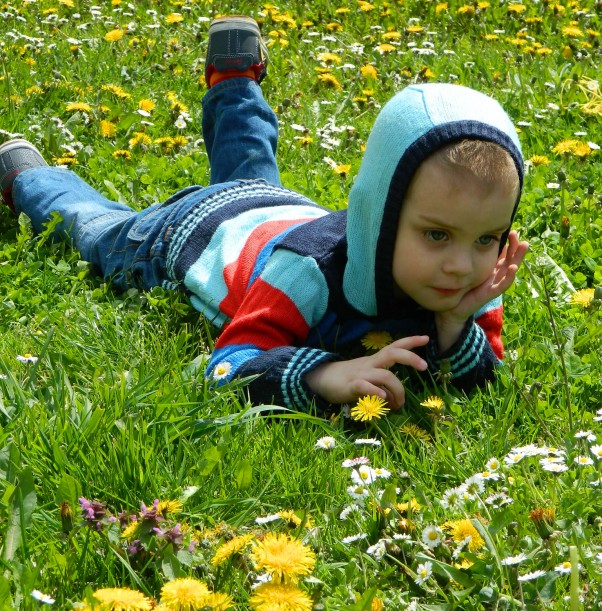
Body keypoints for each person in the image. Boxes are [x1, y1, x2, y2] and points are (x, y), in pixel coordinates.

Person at [0, 15, 528, 414]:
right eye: (436, 235)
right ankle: (25, 174)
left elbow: (481, 375)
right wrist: (322, 375)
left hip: (277, 210)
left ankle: (234, 80)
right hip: (193, 231)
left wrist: (456, 324)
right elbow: (223, 366)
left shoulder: (469, 279)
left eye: (487, 238)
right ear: (381, 215)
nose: (463, 264)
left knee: (250, 168)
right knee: (95, 229)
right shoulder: (305, 273)